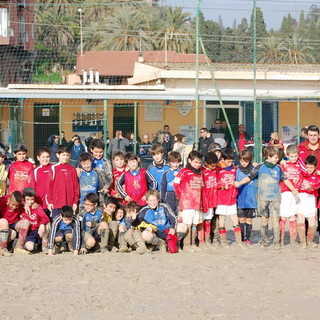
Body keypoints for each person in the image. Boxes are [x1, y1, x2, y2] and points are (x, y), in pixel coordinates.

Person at [235, 146, 298, 250]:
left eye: (277, 157)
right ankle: (264, 240)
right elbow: (249, 177)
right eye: (274, 157)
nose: (276, 159)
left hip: (275, 199)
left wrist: (293, 189)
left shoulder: (278, 168)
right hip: (263, 199)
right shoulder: (260, 167)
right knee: (264, 220)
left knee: (275, 220)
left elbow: (285, 179)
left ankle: (277, 242)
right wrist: (239, 183)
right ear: (268, 157)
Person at [215, 150, 245, 249]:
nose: (230, 163)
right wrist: (222, 185)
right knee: (222, 218)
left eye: (232, 161)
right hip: (221, 199)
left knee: (234, 218)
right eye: (228, 161)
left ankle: (239, 241)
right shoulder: (218, 169)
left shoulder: (234, 169)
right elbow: (214, 183)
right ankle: (223, 241)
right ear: (223, 160)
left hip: (231, 198)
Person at [174, 151, 203, 252]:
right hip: (187, 204)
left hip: (197, 204)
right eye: (195, 162)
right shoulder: (184, 171)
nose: (197, 165)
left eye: (199, 163)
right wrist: (180, 196)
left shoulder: (200, 172)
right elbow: (176, 184)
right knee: (187, 224)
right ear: (190, 161)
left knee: (195, 224)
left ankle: (192, 243)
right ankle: (185, 245)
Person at [279, 145, 302, 247]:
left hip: (296, 193)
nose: (294, 158)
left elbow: (302, 178)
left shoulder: (300, 166)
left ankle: (293, 240)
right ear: (287, 155)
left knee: (293, 216)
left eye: (295, 156)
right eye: (292, 156)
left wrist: (298, 188)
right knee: (283, 216)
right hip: (285, 193)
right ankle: (281, 240)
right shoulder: (284, 165)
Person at [47, 146, 80, 220]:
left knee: (68, 226)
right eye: (63, 155)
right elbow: (49, 187)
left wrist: (75, 202)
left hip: (69, 204)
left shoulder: (72, 169)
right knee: (56, 225)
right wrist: (50, 201)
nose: (65, 157)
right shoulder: (53, 168)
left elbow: (76, 187)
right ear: (58, 155)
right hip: (56, 204)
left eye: (67, 155)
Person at [297, 155, 320, 248]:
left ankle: (310, 241)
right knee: (300, 220)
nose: (309, 169)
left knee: (312, 222)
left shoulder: (317, 177)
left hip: (311, 199)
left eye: (311, 167)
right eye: (307, 167)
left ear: (315, 167)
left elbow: (316, 187)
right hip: (301, 198)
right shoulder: (301, 173)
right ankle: (303, 242)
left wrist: (310, 187)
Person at [236, 149, 258, 245]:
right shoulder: (236, 170)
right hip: (240, 199)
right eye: (241, 161)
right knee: (241, 219)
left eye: (246, 161)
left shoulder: (255, 170)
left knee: (249, 220)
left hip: (251, 199)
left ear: (250, 160)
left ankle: (247, 238)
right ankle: (241, 238)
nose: (243, 163)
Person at [0, 191, 31, 255]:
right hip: (2, 224)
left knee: (25, 223)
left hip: (13, 225)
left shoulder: (21, 202)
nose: (14, 207)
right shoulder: (2, 201)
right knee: (4, 222)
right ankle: (2, 248)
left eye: (17, 206)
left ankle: (18, 247)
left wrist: (25, 204)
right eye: (13, 204)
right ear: (9, 200)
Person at [21, 187, 50, 253]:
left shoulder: (37, 207)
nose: (30, 202)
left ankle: (44, 245)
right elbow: (13, 195)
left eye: (32, 199)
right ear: (23, 199)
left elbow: (45, 218)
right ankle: (23, 245)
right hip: (25, 231)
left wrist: (42, 224)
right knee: (30, 247)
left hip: (35, 231)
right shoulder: (19, 206)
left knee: (46, 224)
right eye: (27, 199)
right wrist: (24, 204)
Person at [200, 152, 219, 247]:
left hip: (212, 201)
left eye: (215, 166)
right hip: (204, 201)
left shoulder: (216, 170)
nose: (214, 167)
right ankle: (201, 241)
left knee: (208, 220)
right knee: (201, 221)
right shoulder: (201, 171)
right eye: (212, 166)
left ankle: (207, 240)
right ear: (206, 163)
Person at [160, 151, 182, 216]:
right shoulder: (166, 173)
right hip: (169, 194)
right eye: (173, 162)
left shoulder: (182, 172)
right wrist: (162, 198)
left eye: (177, 162)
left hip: (179, 195)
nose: (175, 165)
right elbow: (163, 187)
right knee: (170, 212)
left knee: (179, 212)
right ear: (170, 162)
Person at [34, 147, 52, 218]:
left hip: (52, 204)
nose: (45, 159)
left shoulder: (53, 168)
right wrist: (34, 202)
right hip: (40, 204)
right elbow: (32, 187)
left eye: (47, 157)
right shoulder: (35, 171)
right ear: (38, 158)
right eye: (43, 157)